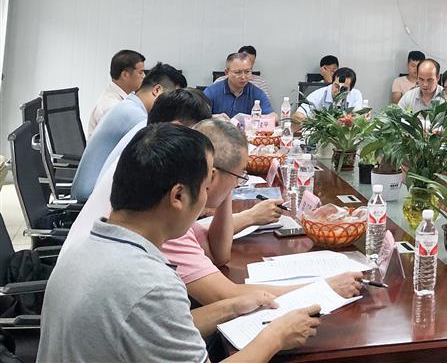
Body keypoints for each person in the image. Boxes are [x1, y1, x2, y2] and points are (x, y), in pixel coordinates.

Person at [38, 123, 323, 363]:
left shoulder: (85, 247)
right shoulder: (151, 284)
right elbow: (155, 309)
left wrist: (232, 307)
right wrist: (275, 337)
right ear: (178, 196)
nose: (206, 198)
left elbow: (161, 326)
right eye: (205, 187)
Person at [167, 118, 363, 305]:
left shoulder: (179, 208)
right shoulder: (171, 224)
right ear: (212, 175)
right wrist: (324, 289)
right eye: (240, 175)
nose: (238, 183)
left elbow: (219, 255)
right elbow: (226, 296)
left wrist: (228, 183)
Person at [62, 88, 276, 257]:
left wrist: (229, 181)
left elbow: (204, 242)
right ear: (176, 127)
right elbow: (218, 268)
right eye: (197, 136)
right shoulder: (161, 178)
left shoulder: (145, 147)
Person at [71, 63, 186, 202]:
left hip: (90, 193)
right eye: (172, 99)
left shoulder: (128, 106)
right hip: (91, 198)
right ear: (157, 90)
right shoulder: (136, 117)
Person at [87, 49, 145, 138]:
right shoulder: (111, 107)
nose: (144, 76)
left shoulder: (124, 98)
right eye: (140, 72)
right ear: (125, 75)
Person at [204, 52, 273, 117]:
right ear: (226, 72)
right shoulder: (211, 92)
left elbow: (271, 116)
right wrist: (215, 118)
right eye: (237, 72)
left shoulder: (257, 93)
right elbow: (199, 118)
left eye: (247, 71)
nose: (243, 77)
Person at [293, 67, 364, 123]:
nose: (338, 92)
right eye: (336, 86)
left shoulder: (355, 95)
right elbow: (297, 116)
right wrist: (321, 123)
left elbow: (358, 118)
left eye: (344, 89)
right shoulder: (318, 95)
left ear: (350, 90)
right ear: (332, 83)